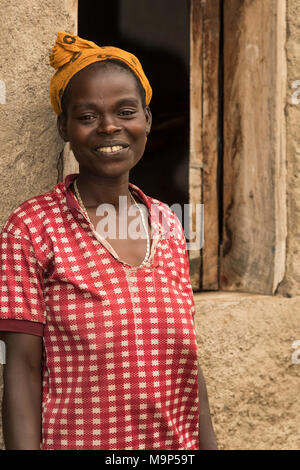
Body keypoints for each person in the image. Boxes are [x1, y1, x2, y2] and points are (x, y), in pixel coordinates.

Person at [0, 32, 217, 450]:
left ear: (147, 121)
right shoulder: (31, 228)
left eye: (125, 111)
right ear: (64, 127)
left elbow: (188, 370)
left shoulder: (169, 225)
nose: (110, 127)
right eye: (87, 116)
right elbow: (21, 373)